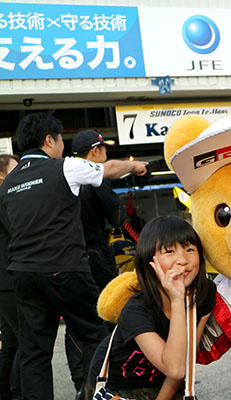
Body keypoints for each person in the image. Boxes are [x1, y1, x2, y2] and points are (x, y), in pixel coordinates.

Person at [0, 112, 148, 400]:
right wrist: (137, 166)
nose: (62, 147)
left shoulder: (8, 184)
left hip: (23, 274)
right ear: (48, 140)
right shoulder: (64, 167)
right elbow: (107, 168)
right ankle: (96, 394)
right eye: (59, 140)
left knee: (34, 352)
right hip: (64, 268)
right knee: (95, 333)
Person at [82, 216, 216, 400]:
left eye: (190, 249)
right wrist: (177, 301)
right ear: (149, 261)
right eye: (169, 251)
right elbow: (175, 369)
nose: (182, 260)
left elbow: (182, 365)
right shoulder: (136, 309)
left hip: (164, 383)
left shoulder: (203, 294)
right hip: (119, 388)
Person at [64, 130, 128, 393]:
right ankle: (103, 379)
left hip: (68, 258)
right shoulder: (95, 177)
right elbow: (117, 214)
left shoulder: (63, 176)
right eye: (104, 149)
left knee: (75, 321)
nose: (106, 154)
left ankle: (80, 381)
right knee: (109, 313)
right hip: (96, 255)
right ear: (94, 152)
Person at [0, 154, 20, 400]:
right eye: (15, 170)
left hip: (3, 280)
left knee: (12, 339)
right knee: (27, 341)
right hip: (8, 277)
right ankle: (17, 393)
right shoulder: (4, 198)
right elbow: (16, 231)